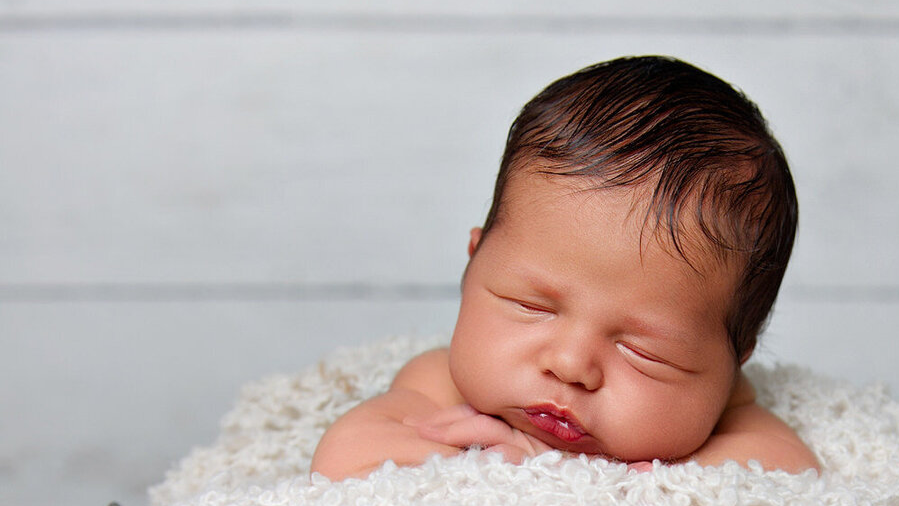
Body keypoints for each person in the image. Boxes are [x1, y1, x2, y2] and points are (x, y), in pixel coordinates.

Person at [311, 56, 819, 480]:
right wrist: (496, 472)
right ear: (473, 264)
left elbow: (788, 481)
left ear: (736, 358)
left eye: (644, 351)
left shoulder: (728, 409)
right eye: (532, 306)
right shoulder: (441, 384)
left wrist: (574, 478)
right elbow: (343, 461)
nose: (571, 365)